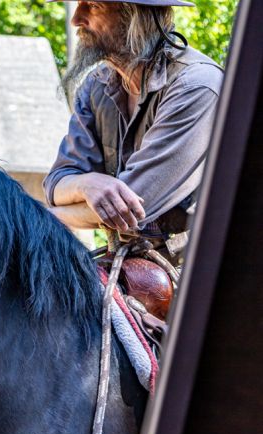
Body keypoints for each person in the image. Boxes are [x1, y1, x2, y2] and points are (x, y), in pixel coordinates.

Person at [43, 0, 223, 257]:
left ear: (137, 16)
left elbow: (134, 206)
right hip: (127, 260)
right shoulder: (96, 86)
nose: (76, 19)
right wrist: (87, 184)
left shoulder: (196, 86)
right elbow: (56, 184)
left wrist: (44, 218)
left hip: (196, 272)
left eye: (92, 6)